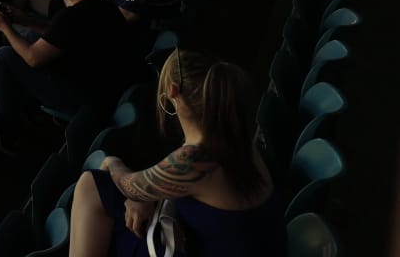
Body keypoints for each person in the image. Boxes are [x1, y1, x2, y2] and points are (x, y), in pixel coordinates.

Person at [68, 50, 285, 257]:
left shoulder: (194, 160)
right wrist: (151, 195)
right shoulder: (234, 135)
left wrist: (111, 161)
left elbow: (128, 185)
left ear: (172, 92)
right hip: (257, 246)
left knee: (89, 184)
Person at [0, 0, 139, 153]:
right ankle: (23, 106)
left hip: (85, 100)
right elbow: (63, 35)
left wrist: (5, 27)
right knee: (30, 36)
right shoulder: (102, 3)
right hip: (106, 85)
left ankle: (6, 132)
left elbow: (33, 58)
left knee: (3, 56)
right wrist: (26, 20)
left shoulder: (72, 17)